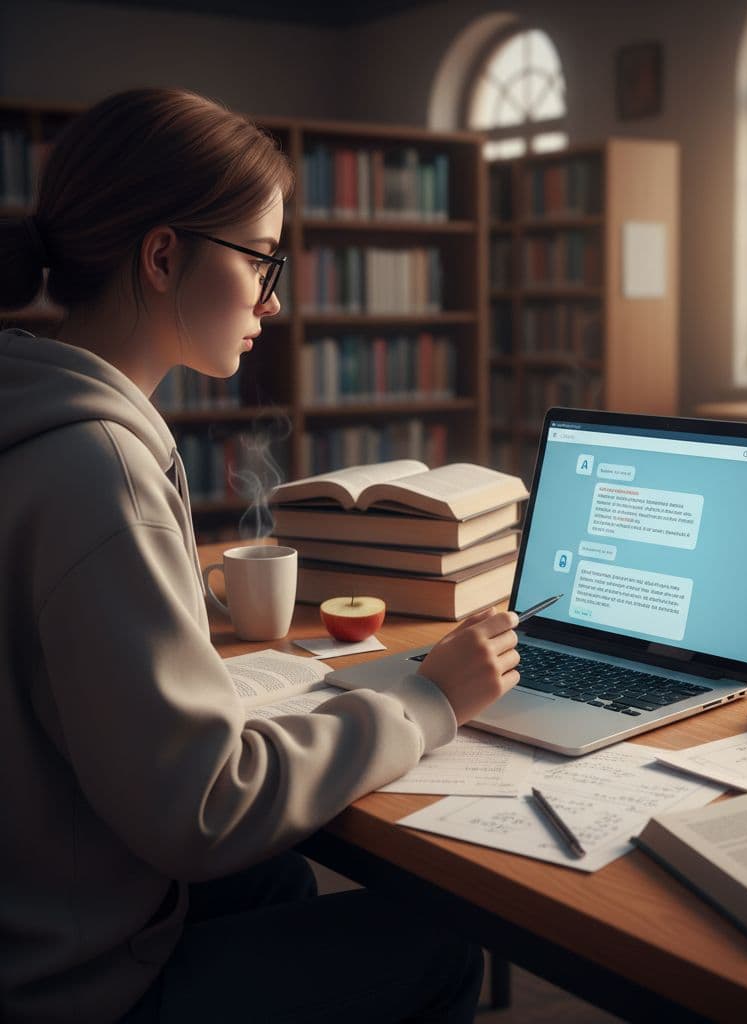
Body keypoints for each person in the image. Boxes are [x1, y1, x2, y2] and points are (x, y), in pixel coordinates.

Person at [0, 87, 521, 1024]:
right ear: (164, 256)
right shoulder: (96, 471)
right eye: (262, 262)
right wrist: (429, 699)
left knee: (279, 883)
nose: (275, 302)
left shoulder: (29, 413)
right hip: (66, 988)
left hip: (39, 903)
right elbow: (205, 807)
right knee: (438, 943)